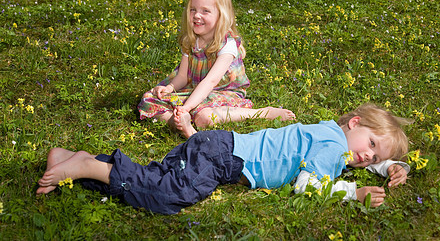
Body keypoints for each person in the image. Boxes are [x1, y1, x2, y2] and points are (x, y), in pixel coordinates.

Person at [36, 103, 410, 215]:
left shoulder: (332, 132)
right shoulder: (331, 150)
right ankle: (93, 167)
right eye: (373, 144)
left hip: (217, 145)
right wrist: (352, 193)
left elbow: (352, 154)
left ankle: (75, 160)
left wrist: (390, 167)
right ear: (356, 123)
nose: (366, 156)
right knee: (169, 197)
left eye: (374, 156)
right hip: (224, 160)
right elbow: (308, 184)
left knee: (160, 177)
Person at [137, 0, 295, 137]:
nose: (197, 15)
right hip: (196, 92)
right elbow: (182, 76)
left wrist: (186, 107)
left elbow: (210, 82)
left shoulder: (227, 44)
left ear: (221, 16)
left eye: (205, 11)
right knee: (148, 99)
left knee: (205, 117)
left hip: (224, 93)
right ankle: (180, 122)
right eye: (193, 10)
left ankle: (262, 113)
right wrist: (170, 88)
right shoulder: (190, 41)